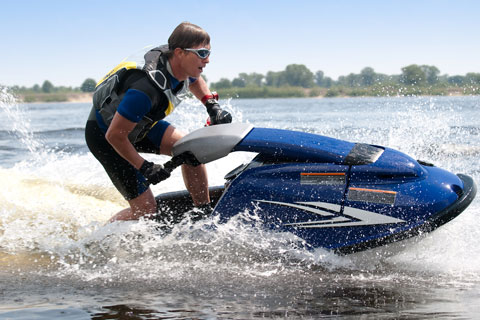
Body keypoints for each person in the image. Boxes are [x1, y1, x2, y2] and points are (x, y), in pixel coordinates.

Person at [85, 22, 232, 222]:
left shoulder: (181, 66)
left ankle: (202, 214)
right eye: (202, 53)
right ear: (180, 52)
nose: (207, 60)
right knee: (145, 210)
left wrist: (210, 105)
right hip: (106, 136)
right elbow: (114, 135)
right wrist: (144, 166)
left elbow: (194, 79)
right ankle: (98, 242)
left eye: (208, 53)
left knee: (190, 150)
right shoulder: (145, 90)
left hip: (139, 127)